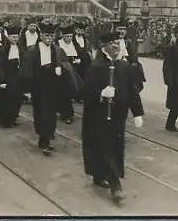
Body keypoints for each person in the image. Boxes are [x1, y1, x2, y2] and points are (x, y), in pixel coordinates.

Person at [82, 30, 144, 203]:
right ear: (104, 47)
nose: (116, 46)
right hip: (99, 116)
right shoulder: (96, 67)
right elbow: (85, 92)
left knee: (114, 147)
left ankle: (99, 175)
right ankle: (116, 185)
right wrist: (100, 94)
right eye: (112, 44)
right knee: (105, 147)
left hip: (119, 115)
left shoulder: (124, 66)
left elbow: (133, 90)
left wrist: (137, 112)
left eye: (118, 43)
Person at [19, 20, 71, 156]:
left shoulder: (57, 50)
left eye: (51, 36)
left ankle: (47, 139)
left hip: (52, 85)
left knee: (50, 114)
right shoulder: (32, 51)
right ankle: (44, 137)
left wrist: (61, 70)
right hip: (38, 86)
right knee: (40, 113)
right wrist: (27, 90)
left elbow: (64, 64)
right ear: (41, 36)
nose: (49, 39)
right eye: (47, 36)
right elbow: (27, 71)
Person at [0, 25, 25, 128]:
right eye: (13, 37)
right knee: (5, 99)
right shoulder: (2, 51)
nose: (15, 39)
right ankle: (3, 119)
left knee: (17, 99)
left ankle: (13, 117)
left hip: (17, 77)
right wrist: (1, 81)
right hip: (6, 77)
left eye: (17, 37)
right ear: (8, 37)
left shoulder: (21, 50)